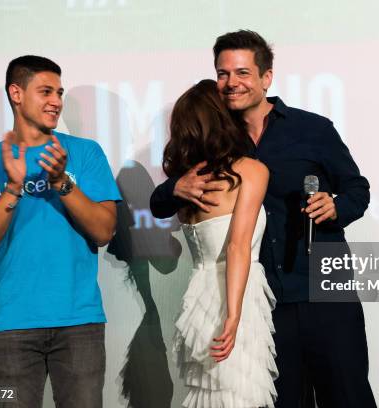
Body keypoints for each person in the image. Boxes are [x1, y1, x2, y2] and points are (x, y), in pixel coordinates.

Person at [151, 30, 375, 408]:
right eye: (223, 74)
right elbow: (160, 204)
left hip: (323, 289)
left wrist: (336, 206)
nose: (231, 83)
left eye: (242, 73)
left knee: (347, 395)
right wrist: (174, 187)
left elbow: (358, 190)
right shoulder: (218, 140)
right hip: (264, 303)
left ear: (266, 78)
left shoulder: (312, 128)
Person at [0, 55, 121, 408]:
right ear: (16, 93)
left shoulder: (85, 153)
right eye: (45, 91)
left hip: (80, 321)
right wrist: (13, 187)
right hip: (12, 324)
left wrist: (62, 182)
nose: (57, 101)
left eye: (59, 93)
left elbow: (105, 230)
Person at [166, 79, 276, 407]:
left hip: (200, 294)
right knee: (236, 392)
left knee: (211, 393)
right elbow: (237, 248)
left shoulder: (187, 183)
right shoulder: (250, 171)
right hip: (235, 291)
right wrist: (233, 314)